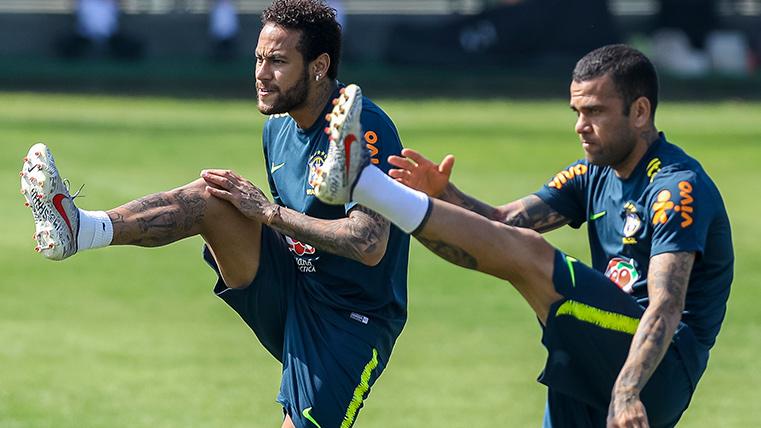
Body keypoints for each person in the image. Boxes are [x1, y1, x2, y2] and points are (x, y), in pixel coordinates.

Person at [22, 1, 409, 427]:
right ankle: (81, 229)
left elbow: (369, 244)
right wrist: (259, 219)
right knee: (213, 198)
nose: (261, 74)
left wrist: (268, 213)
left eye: (278, 62)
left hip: (350, 318)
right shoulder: (277, 127)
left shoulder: (361, 125)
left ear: (319, 67)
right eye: (259, 59)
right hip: (295, 286)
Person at [313, 44, 733, 427]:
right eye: (576, 112)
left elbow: (665, 305)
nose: (581, 126)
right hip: (593, 344)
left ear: (640, 112)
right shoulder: (593, 173)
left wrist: (626, 391)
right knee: (527, 256)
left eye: (595, 112)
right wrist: (444, 194)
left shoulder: (676, 189)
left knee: (532, 257)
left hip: (660, 366)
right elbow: (504, 223)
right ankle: (369, 187)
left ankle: (362, 183)